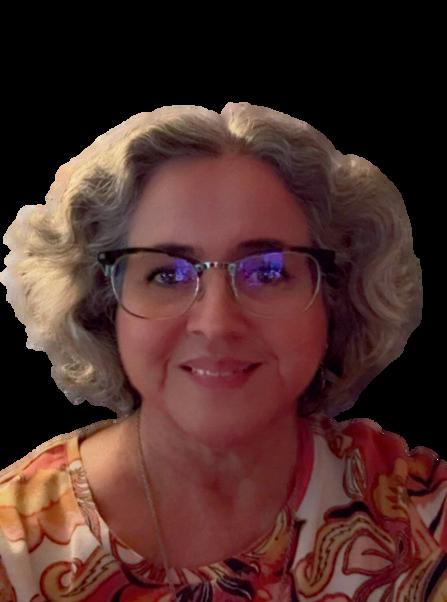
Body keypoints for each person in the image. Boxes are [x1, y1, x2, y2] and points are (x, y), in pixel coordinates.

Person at [0, 102, 445, 601]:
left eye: (268, 272)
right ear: (103, 304)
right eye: (166, 274)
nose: (216, 324)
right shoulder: (12, 550)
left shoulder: (420, 518)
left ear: (337, 298)